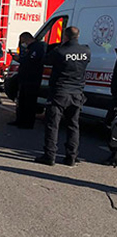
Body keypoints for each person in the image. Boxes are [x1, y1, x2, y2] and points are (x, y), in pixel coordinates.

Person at [35, 26, 91, 166]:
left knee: (53, 125)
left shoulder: (60, 51)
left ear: (65, 36)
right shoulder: (86, 51)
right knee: (73, 125)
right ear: (77, 36)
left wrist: (58, 47)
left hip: (59, 93)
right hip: (77, 93)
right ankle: (71, 157)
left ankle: (50, 156)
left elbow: (45, 60)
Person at [9, 32, 45, 129]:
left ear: (26, 39)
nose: (22, 43)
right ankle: (20, 120)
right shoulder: (30, 47)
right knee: (22, 101)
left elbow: (31, 61)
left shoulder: (37, 47)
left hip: (32, 78)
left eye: (23, 41)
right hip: (24, 77)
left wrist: (19, 59)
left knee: (30, 102)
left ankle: (28, 123)